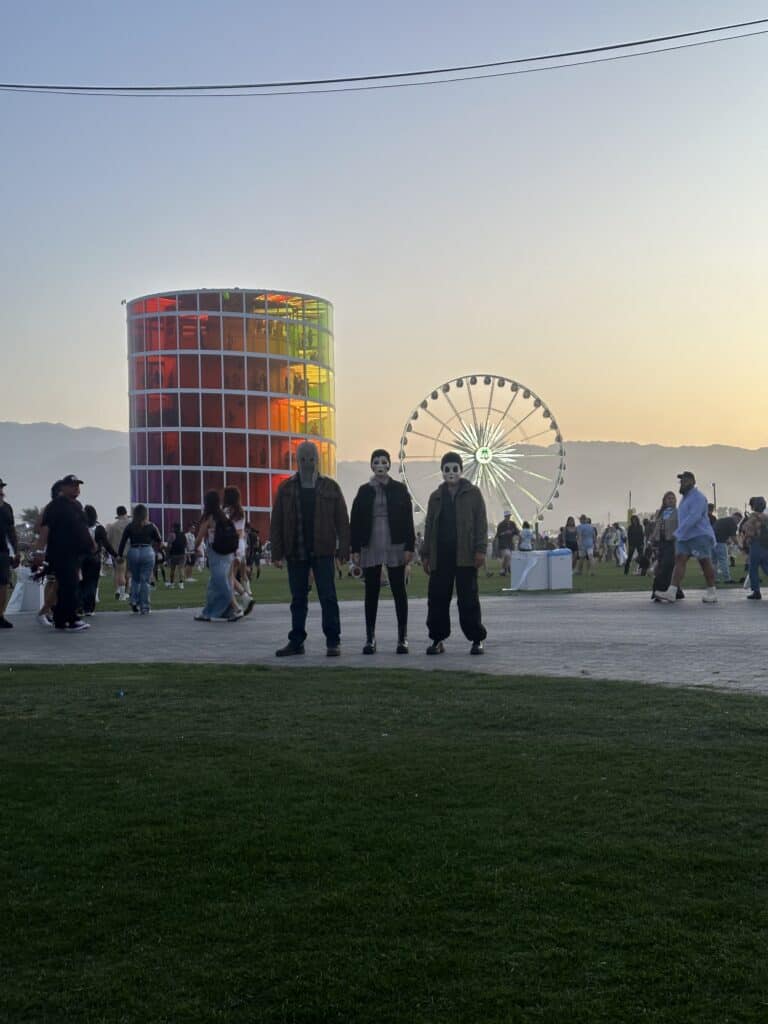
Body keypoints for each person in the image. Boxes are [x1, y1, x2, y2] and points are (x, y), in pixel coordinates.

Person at [270, 440, 350, 656]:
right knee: (298, 598)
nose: (308, 463)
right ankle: (296, 641)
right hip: (296, 550)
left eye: (311, 459)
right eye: (303, 459)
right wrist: (276, 552)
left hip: (323, 550)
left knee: (328, 597)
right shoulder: (286, 488)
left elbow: (342, 520)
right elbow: (276, 520)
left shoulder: (330, 487)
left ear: (318, 460)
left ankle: (333, 641)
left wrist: (344, 548)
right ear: (297, 461)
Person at [350, 448, 415, 654]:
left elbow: (408, 519)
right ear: (371, 465)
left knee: (398, 590)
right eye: (376, 462)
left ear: (389, 464)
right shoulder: (363, 491)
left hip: (395, 542)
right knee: (371, 591)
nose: (380, 465)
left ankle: (402, 638)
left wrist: (409, 546)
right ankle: (370, 638)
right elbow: (356, 520)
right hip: (371, 542)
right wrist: (355, 548)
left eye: (383, 461)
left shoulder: (399, 489)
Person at [422, 451, 488, 656]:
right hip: (441, 556)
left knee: (468, 600)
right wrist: (425, 554)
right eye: (447, 469)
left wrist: (480, 549)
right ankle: (437, 638)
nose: (451, 473)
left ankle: (476, 639)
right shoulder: (436, 497)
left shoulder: (474, 494)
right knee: (437, 599)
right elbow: (429, 526)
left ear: (461, 470)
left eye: (454, 469)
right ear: (442, 471)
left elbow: (481, 523)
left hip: (466, 555)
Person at [38, 474, 94, 632]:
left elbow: (83, 526)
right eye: (72, 485)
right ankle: (71, 618)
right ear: (63, 487)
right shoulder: (56, 506)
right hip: (61, 552)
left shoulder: (77, 505)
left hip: (75, 553)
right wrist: (39, 551)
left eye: (78, 485)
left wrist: (91, 542)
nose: (76, 488)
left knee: (66, 586)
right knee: (70, 585)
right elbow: (45, 529)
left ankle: (61, 619)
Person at [655, 471, 717, 604]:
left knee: (704, 561)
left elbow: (694, 517)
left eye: (684, 481)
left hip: (699, 535)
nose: (681, 484)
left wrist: (678, 532)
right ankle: (671, 592)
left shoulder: (698, 497)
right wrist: (681, 533)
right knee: (679, 560)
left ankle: (712, 592)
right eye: (681, 481)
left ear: (692, 482)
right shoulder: (685, 498)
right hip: (685, 536)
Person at [194, 490, 242, 623]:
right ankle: (209, 612)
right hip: (228, 554)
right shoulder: (224, 517)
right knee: (213, 586)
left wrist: (195, 548)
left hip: (216, 555)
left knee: (221, 584)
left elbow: (199, 539)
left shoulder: (209, 518)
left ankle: (236, 608)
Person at [117, 504, 161, 615]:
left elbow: (123, 542)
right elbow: (159, 540)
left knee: (135, 579)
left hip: (133, 551)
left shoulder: (130, 526)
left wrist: (119, 555)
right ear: (146, 514)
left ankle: (134, 601)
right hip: (147, 551)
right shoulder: (151, 526)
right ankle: (145, 607)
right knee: (145, 580)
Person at [80, 505, 118, 615]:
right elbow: (106, 544)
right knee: (92, 583)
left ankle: (80, 606)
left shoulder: (80, 526)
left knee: (81, 582)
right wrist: (115, 555)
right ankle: (89, 608)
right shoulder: (99, 528)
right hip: (94, 559)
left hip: (81, 559)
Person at [223, 486, 255, 615]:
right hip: (241, 544)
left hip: (232, 544)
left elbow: (229, 530)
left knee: (228, 576)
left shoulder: (226, 511)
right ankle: (243, 597)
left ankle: (240, 601)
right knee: (230, 576)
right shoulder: (241, 511)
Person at [649, 491, 685, 602]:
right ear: (664, 500)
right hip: (662, 543)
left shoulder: (678, 512)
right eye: (668, 498)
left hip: (673, 542)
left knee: (667, 565)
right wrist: (653, 538)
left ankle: (661, 590)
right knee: (663, 566)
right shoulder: (661, 513)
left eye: (673, 498)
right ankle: (676, 591)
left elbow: (681, 527)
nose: (671, 500)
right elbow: (657, 527)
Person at [0, 477, 19, 629]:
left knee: (4, 584)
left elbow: (12, 532)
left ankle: (0, 615)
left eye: (1, 488)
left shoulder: (7, 508)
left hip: (3, 552)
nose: (1, 491)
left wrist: (17, 551)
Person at [740, 497, 768, 599]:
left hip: (756, 544)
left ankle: (756, 591)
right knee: (766, 566)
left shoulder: (753, 517)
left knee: (753, 569)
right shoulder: (766, 517)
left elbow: (747, 531)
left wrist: (744, 543)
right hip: (766, 545)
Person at [105, 505, 131, 600]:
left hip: (117, 552)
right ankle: (126, 592)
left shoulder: (113, 526)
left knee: (118, 572)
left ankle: (118, 591)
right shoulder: (130, 523)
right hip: (130, 551)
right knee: (128, 573)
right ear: (125, 512)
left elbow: (108, 539)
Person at [713, 511, 742, 584]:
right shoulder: (732, 523)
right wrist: (739, 545)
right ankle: (727, 579)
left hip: (711, 543)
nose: (738, 522)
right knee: (724, 561)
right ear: (736, 517)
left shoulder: (721, 520)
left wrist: (727, 540)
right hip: (720, 543)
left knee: (713, 562)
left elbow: (719, 531)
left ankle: (714, 579)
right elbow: (733, 537)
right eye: (738, 520)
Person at [495, 512, 519, 576]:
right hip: (503, 543)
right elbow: (498, 535)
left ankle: (504, 570)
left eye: (509, 516)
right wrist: (505, 533)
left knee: (508, 557)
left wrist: (512, 532)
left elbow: (516, 532)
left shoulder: (512, 523)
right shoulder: (501, 524)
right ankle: (505, 568)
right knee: (507, 555)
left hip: (510, 543)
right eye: (507, 516)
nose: (508, 517)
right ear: (505, 517)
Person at [166, 521, 187, 589]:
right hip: (182, 554)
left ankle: (172, 584)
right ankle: (181, 584)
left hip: (174, 554)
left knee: (172, 569)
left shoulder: (172, 535)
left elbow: (169, 546)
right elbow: (185, 544)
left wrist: (167, 555)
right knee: (181, 569)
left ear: (174, 528)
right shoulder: (183, 534)